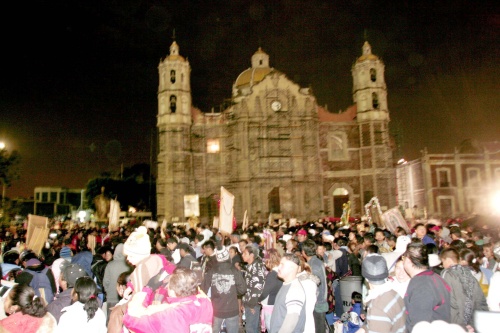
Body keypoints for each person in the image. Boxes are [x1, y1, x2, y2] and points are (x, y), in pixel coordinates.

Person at [123, 268, 213, 333]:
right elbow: (198, 293)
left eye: (169, 285)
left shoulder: (170, 314)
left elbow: (131, 317)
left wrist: (148, 288)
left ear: (172, 292)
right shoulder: (205, 303)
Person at [403, 242, 451, 332]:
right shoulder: (434, 277)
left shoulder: (422, 286)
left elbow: (419, 325)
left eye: (403, 258)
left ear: (408, 260)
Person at [440, 247, 488, 331]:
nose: (442, 264)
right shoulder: (469, 274)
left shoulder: (446, 274)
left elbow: (448, 302)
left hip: (455, 325)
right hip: (472, 324)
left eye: (442, 261)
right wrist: (474, 325)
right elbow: (480, 301)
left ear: (448, 260)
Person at [201, 246, 246, 333]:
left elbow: (203, 289)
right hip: (231, 308)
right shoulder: (234, 270)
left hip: (216, 309)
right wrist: (233, 292)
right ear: (228, 257)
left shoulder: (212, 271)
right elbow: (243, 289)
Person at [358, 254, 406, 333]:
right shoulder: (394, 293)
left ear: (366, 278)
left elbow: (379, 319)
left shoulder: (377, 306)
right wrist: (364, 329)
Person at [269, 253, 306, 333]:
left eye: (282, 265)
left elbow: (291, 322)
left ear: (292, 268)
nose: (278, 267)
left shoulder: (294, 290)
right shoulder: (286, 285)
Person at [302, 239, 328, 333]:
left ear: (303, 252)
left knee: (318, 329)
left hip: (317, 303)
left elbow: (316, 286)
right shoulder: (316, 261)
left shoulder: (314, 265)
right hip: (318, 302)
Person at [241, 244, 266, 333]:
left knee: (251, 328)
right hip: (249, 302)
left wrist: (252, 304)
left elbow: (258, 288)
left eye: (245, 253)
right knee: (252, 328)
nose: (242, 255)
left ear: (251, 255)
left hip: (253, 303)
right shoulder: (250, 266)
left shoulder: (257, 267)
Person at [102, 244, 130, 317]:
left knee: (111, 319)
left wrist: (108, 291)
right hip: (126, 297)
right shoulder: (129, 266)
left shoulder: (110, 265)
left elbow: (105, 282)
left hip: (112, 297)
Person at [258, 249, 283, 332]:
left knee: (271, 329)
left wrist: (259, 299)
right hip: (277, 304)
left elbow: (265, 292)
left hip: (270, 305)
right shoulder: (280, 271)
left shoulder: (272, 275)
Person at [296, 256, 319, 333]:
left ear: (298, 268)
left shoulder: (305, 283)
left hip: (303, 324)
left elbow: (306, 308)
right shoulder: (301, 281)